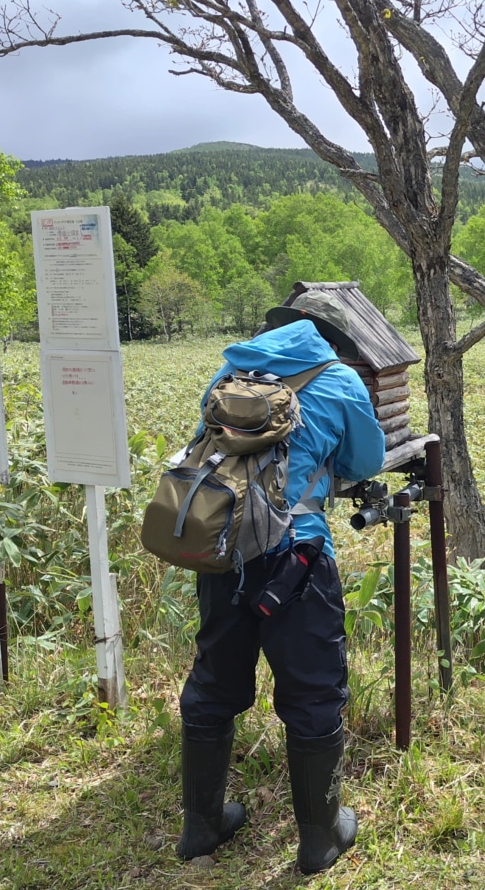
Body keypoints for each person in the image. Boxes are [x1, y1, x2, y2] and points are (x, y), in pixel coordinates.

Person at [176, 289, 385, 875]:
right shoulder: (339, 379)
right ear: (334, 337)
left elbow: (206, 446)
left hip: (223, 548)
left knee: (214, 678)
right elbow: (366, 463)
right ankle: (320, 839)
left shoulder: (230, 370)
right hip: (298, 557)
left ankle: (201, 826)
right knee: (313, 691)